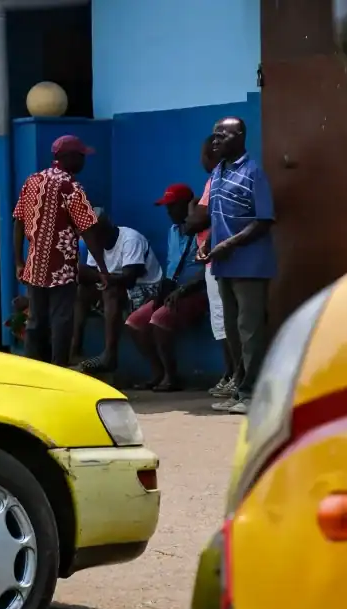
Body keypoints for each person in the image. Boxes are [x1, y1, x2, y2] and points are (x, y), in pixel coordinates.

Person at [198, 117, 276, 414]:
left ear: (240, 136)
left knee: (250, 330)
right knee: (231, 330)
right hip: (223, 265)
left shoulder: (254, 172)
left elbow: (264, 220)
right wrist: (209, 243)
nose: (216, 140)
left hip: (251, 265)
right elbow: (217, 217)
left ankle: (253, 394)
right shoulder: (218, 172)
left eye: (223, 135)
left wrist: (229, 244)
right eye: (214, 135)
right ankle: (240, 390)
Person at [13, 135, 109, 367]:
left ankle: (33, 367)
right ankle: (59, 367)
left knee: (36, 319)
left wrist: (19, 261)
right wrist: (103, 267)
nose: (84, 161)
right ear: (69, 158)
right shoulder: (71, 186)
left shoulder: (33, 180)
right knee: (62, 319)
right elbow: (88, 228)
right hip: (62, 267)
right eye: (81, 156)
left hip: (35, 265)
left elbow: (18, 220)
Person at [124, 183, 210, 391]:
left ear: (187, 206)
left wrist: (182, 291)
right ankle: (157, 373)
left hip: (197, 292)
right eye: (167, 207)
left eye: (173, 206)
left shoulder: (204, 232)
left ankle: (172, 378)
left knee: (159, 320)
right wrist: (159, 294)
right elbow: (172, 267)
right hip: (174, 291)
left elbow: (206, 270)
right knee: (134, 322)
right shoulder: (173, 231)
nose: (169, 211)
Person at [72, 212, 163, 375]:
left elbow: (130, 278)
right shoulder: (96, 243)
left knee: (111, 291)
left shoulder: (130, 239)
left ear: (102, 230)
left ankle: (110, 355)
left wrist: (104, 279)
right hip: (118, 289)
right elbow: (95, 274)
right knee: (82, 291)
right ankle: (74, 350)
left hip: (147, 289)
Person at [187, 135, 237, 398]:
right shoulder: (228, 178)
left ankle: (234, 377)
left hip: (218, 261)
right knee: (226, 321)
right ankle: (232, 375)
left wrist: (191, 208)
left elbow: (196, 221)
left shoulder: (216, 180)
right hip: (222, 260)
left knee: (225, 322)